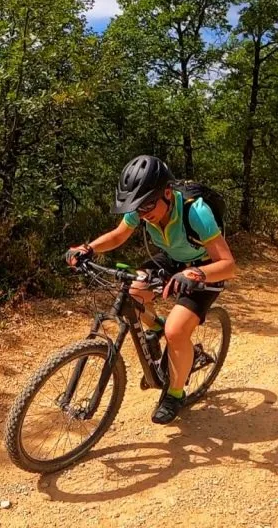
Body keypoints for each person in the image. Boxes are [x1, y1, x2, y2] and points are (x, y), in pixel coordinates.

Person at [65, 155, 237, 425]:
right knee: (134, 294)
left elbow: (228, 264)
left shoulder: (196, 211)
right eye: (137, 208)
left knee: (177, 331)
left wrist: (197, 273)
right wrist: (88, 249)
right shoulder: (142, 205)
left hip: (206, 267)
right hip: (172, 259)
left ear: (167, 193)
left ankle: (174, 393)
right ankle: (156, 327)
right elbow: (118, 235)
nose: (142, 214)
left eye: (147, 206)